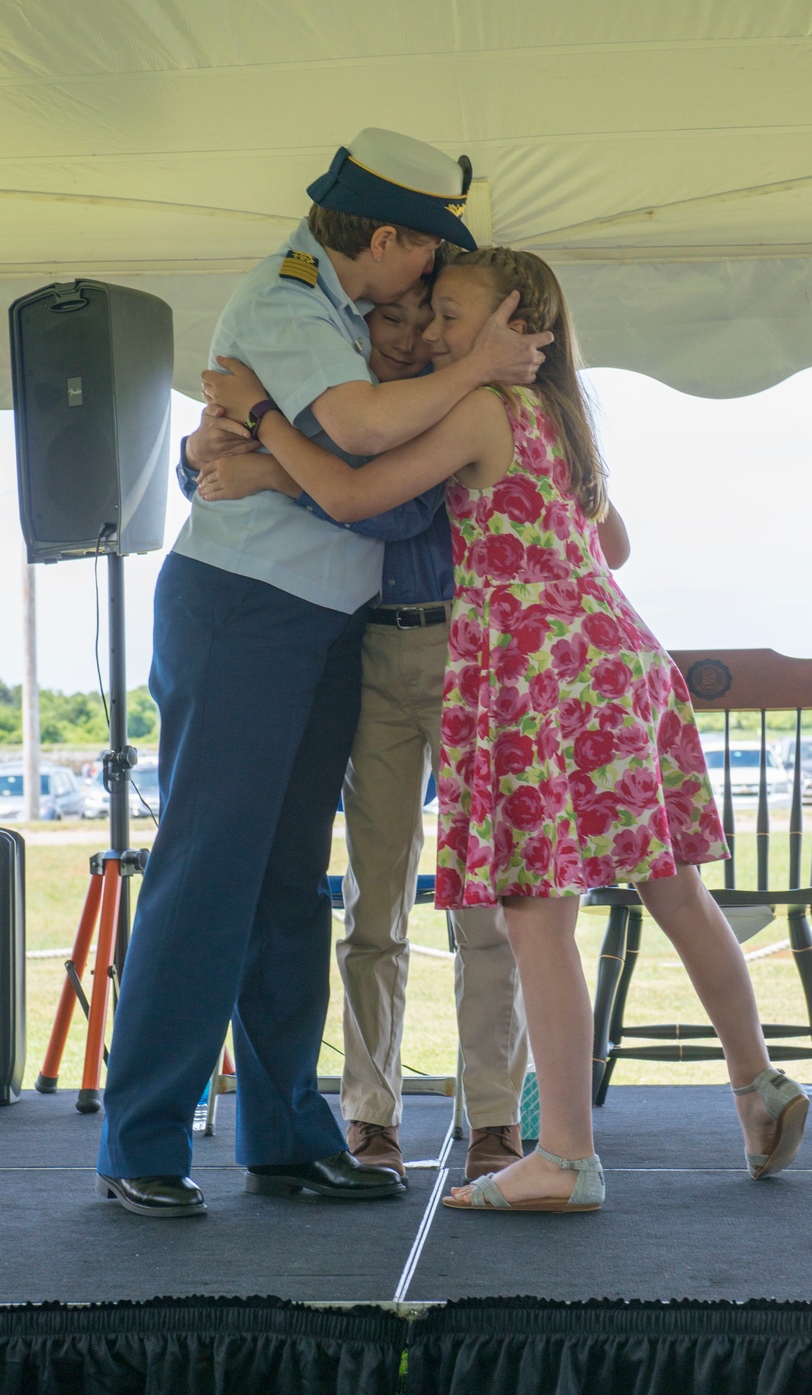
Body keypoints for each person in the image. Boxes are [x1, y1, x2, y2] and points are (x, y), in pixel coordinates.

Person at [200, 245, 809, 1215]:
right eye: (432, 315)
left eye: (452, 316)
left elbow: (360, 496)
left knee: (532, 912)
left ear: (517, 324)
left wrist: (266, 422)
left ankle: (564, 1155)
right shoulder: (562, 416)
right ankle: (757, 1083)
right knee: (676, 891)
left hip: (538, 667)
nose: (434, 332)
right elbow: (610, 542)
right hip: (620, 656)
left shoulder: (479, 407)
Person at [94, 130, 553, 1220]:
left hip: (323, 624)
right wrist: (475, 367)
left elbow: (378, 477)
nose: (432, 280)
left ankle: (288, 1132)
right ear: (386, 238)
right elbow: (356, 433)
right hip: (244, 612)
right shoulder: (291, 295)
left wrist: (252, 449)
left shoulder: (352, 312)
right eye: (429, 253)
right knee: (208, 875)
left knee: (292, 890)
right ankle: (142, 1139)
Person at [183, 284, 531, 1185]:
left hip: (466, 650)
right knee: (372, 903)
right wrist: (199, 449)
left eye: (431, 320)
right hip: (374, 653)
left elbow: (394, 509)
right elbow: (201, 462)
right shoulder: (335, 402)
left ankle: (493, 1116)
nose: (413, 337)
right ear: (361, 322)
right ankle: (369, 1114)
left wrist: (266, 466)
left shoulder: (456, 402)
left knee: (483, 904)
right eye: (394, 319)